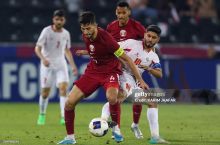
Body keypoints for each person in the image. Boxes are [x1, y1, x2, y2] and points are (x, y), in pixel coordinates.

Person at [57, 11, 148, 144]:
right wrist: (86, 52)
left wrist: (140, 79)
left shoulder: (106, 38)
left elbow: (126, 58)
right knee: (69, 103)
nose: (86, 32)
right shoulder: (85, 35)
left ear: (96, 25)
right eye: (83, 29)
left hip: (110, 72)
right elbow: (97, 50)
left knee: (112, 98)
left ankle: (116, 128)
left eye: (89, 28)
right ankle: (70, 138)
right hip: (93, 72)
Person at [101, 25, 169, 144]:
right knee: (121, 97)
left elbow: (159, 74)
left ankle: (154, 137)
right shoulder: (130, 43)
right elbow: (111, 48)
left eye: (154, 37)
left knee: (149, 102)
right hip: (121, 74)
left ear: (157, 40)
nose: (150, 39)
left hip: (133, 80)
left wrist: (149, 68)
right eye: (148, 36)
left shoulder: (153, 56)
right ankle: (103, 121)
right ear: (144, 35)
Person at [35, 9, 78, 125]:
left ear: (64, 20)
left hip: (61, 64)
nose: (59, 22)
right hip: (47, 64)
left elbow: (67, 50)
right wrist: (43, 59)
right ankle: (42, 114)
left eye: (61, 19)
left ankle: (64, 117)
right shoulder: (46, 31)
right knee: (45, 92)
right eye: (57, 19)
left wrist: (73, 66)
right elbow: (37, 48)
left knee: (63, 89)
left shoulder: (66, 34)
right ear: (53, 20)